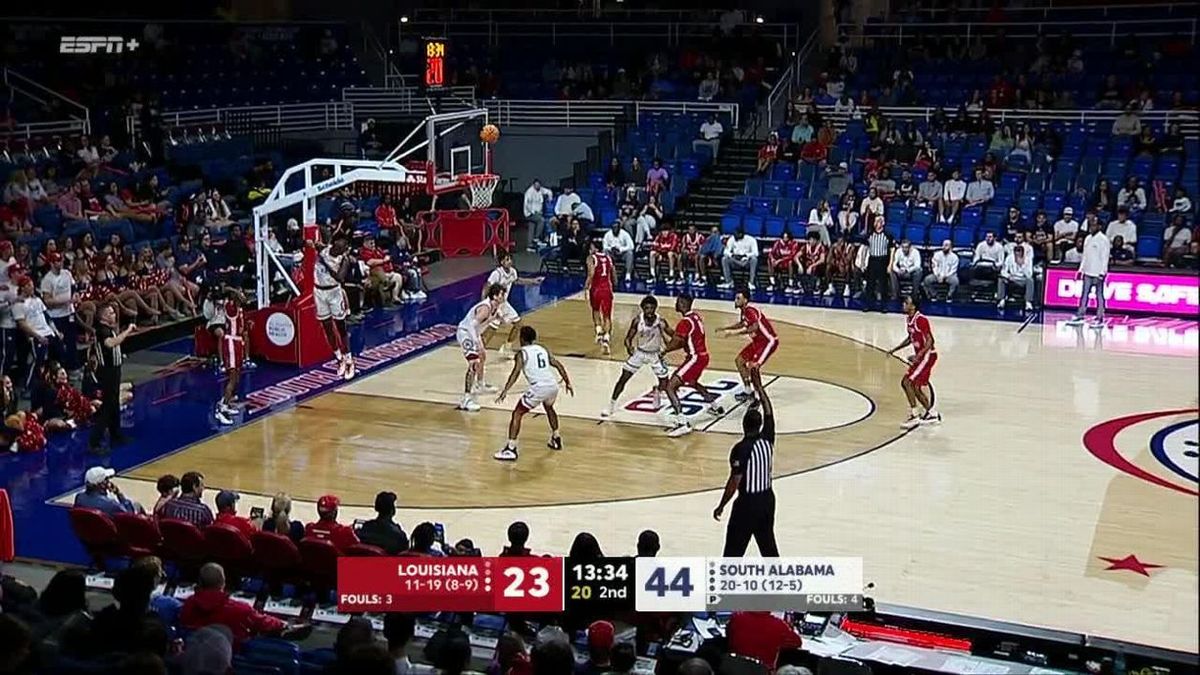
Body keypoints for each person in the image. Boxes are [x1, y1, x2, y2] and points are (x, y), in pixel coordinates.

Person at [713, 369, 779, 556]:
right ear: (759, 425)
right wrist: (759, 388)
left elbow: (734, 482)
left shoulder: (740, 449)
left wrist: (722, 505)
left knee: (733, 552)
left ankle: (729, 576)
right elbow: (769, 411)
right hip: (767, 500)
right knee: (768, 547)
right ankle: (778, 574)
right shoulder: (767, 438)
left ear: (743, 425)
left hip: (748, 504)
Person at [180, 563, 309, 647]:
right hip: (233, 656)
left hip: (194, 654)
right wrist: (284, 624)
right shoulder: (239, 609)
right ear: (223, 583)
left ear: (200, 582)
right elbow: (263, 622)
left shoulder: (187, 605)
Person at [494, 326, 573, 461]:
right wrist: (567, 382)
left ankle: (511, 449)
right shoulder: (543, 349)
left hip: (539, 387)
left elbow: (515, 373)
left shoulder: (521, 353)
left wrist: (505, 390)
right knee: (549, 408)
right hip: (552, 385)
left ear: (522, 339)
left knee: (517, 413)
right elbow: (558, 364)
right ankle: (556, 438)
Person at [662, 293, 724, 438]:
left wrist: (664, 350)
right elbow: (681, 337)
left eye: (678, 302)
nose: (675, 304)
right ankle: (716, 407)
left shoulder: (685, 322)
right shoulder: (695, 317)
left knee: (670, 387)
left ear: (683, 304)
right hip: (702, 356)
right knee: (692, 382)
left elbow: (678, 342)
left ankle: (683, 423)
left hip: (695, 358)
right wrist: (666, 329)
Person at [603, 295, 669, 418]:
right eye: (647, 308)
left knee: (665, 383)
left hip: (655, 354)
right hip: (640, 352)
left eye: (652, 308)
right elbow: (628, 339)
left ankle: (657, 391)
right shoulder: (637, 321)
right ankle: (611, 405)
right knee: (623, 379)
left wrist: (672, 344)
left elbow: (673, 334)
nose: (649, 311)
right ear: (642, 308)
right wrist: (629, 347)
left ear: (655, 308)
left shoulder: (661, 322)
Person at [887, 295, 941, 428]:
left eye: (906, 303)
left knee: (907, 382)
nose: (903, 305)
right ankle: (932, 414)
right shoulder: (909, 319)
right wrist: (895, 349)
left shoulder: (921, 319)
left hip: (928, 356)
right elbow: (910, 338)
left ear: (913, 306)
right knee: (914, 386)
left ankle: (915, 415)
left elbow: (930, 340)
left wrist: (919, 355)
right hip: (922, 356)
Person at [87, 304, 134, 454]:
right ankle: (94, 442)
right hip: (107, 372)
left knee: (113, 404)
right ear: (103, 317)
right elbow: (111, 343)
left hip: (114, 370)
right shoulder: (102, 330)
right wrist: (127, 331)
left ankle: (116, 434)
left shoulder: (108, 329)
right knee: (107, 407)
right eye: (111, 313)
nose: (114, 315)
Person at [308, 235, 355, 380]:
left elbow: (340, 278)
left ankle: (349, 360)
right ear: (334, 243)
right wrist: (309, 243)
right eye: (341, 245)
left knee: (341, 328)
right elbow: (312, 243)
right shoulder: (323, 249)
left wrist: (324, 262)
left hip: (334, 292)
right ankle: (339, 358)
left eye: (344, 247)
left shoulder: (344, 260)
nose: (343, 249)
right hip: (319, 291)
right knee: (327, 327)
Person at [720, 290, 779, 404]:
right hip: (758, 342)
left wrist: (735, 333)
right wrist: (727, 328)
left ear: (745, 300)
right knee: (739, 361)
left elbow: (754, 327)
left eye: (738, 298)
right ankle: (748, 391)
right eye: (736, 298)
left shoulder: (750, 311)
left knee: (753, 366)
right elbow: (742, 324)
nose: (735, 300)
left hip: (768, 341)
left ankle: (759, 396)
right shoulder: (744, 312)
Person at [481, 252, 543, 358]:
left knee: (518, 324)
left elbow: (517, 280)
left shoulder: (513, 271)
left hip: (504, 304)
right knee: (492, 330)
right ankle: (479, 351)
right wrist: (483, 303)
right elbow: (486, 287)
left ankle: (506, 347)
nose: (510, 261)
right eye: (507, 260)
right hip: (495, 304)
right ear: (501, 262)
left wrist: (533, 281)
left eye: (510, 259)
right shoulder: (497, 273)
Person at [455, 283, 505, 412]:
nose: (504, 296)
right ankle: (466, 399)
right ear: (495, 296)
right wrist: (476, 341)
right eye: (501, 294)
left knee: (482, 356)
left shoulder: (495, 307)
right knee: (474, 363)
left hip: (474, 333)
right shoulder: (485, 308)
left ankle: (480, 384)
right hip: (466, 333)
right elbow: (471, 325)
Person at [1066, 216, 1111, 328]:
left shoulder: (1103, 240)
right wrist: (1081, 270)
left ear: (1099, 226)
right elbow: (1085, 256)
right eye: (1090, 225)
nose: (1091, 227)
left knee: (1099, 295)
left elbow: (1105, 257)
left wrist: (1102, 272)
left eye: (1094, 225)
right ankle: (1080, 315)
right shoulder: (1088, 238)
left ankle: (1100, 317)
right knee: (1084, 294)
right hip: (1087, 271)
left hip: (1098, 272)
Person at [214, 287, 247, 426]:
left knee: (237, 376)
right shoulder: (230, 307)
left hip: (238, 342)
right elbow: (240, 297)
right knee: (232, 378)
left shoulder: (238, 308)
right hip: (231, 343)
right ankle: (221, 410)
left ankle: (226, 403)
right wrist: (234, 290)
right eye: (239, 294)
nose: (242, 296)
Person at [584, 241, 616, 355]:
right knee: (607, 316)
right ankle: (606, 338)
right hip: (607, 289)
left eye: (591, 247)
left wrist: (586, 286)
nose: (589, 250)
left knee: (596, 310)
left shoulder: (591, 258)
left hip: (596, 289)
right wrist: (614, 284)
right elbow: (613, 272)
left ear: (595, 248)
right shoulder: (608, 258)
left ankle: (598, 332)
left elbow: (591, 273)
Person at [73, 466, 138, 515]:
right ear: (102, 484)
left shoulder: (79, 498)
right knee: (137, 505)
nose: (109, 481)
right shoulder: (111, 504)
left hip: (89, 528)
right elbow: (130, 515)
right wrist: (119, 494)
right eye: (106, 479)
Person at [998, 244, 1035, 310]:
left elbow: (1029, 274)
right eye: (1016, 252)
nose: (1017, 254)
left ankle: (1028, 302)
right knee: (1001, 279)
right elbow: (1003, 271)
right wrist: (1008, 276)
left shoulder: (1028, 259)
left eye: (1019, 252)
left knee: (1030, 280)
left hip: (1022, 279)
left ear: (1022, 253)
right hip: (1011, 278)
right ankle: (1001, 300)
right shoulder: (1009, 258)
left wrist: (1022, 265)